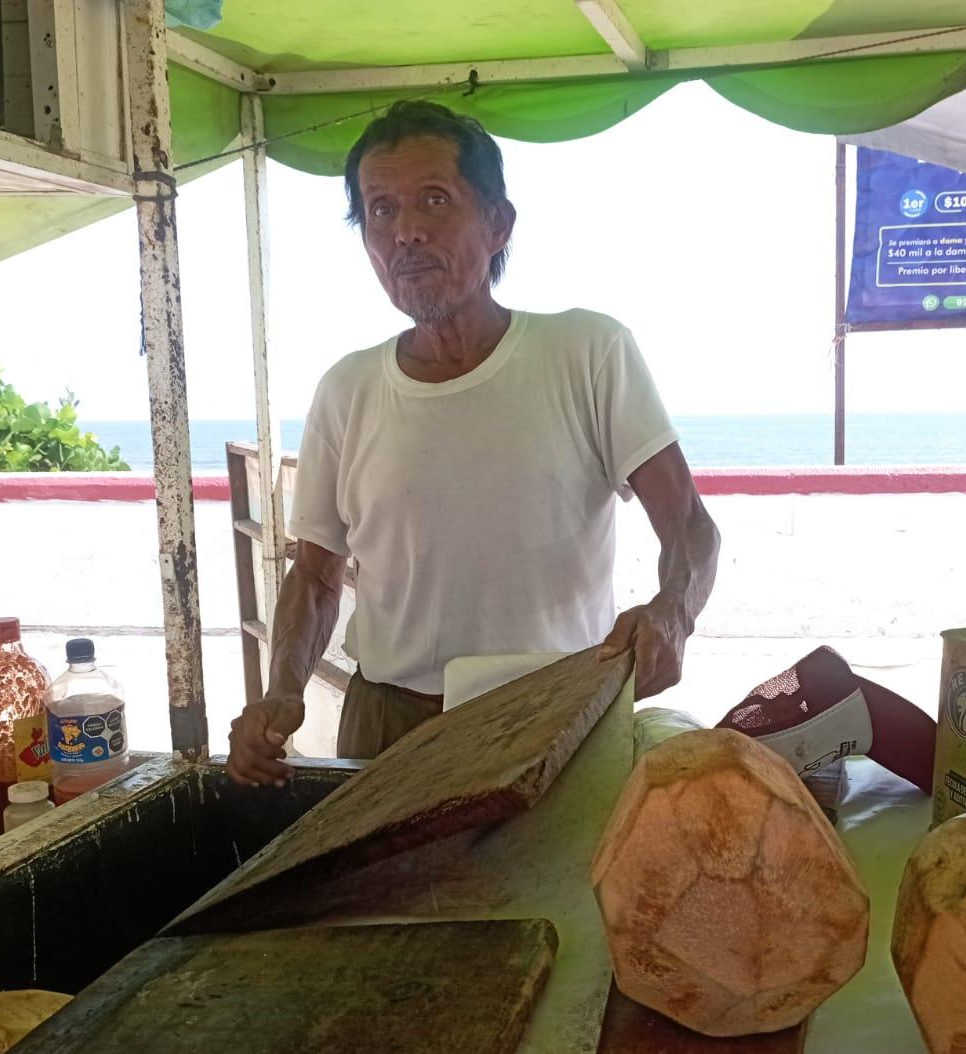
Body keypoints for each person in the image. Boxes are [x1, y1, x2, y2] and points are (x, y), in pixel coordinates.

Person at [226, 100, 720, 786]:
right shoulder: (347, 389)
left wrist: (674, 609)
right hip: (386, 728)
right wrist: (282, 690)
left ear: (498, 224)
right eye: (380, 210)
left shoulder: (587, 353)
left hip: (553, 719)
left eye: (434, 200)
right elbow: (315, 576)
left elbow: (691, 527)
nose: (406, 234)